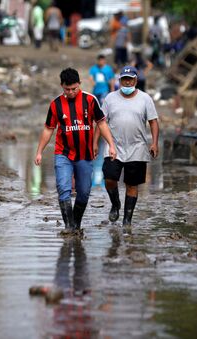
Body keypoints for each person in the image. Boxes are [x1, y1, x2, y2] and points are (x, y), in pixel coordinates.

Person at [35, 68, 117, 234]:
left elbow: (101, 124)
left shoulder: (90, 100)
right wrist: (39, 152)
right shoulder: (56, 104)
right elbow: (48, 129)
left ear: (79, 84)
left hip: (84, 155)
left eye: (74, 88)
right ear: (62, 86)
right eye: (67, 89)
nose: (71, 92)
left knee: (84, 192)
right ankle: (68, 227)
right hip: (63, 153)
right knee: (63, 187)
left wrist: (111, 145)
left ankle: (76, 224)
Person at [95, 66, 159, 229]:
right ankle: (115, 204)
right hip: (113, 147)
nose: (127, 82)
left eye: (130, 79)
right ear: (119, 81)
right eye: (124, 79)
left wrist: (154, 143)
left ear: (136, 80)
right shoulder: (110, 98)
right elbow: (101, 122)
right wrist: (95, 143)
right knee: (109, 179)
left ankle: (127, 220)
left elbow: (153, 121)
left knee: (132, 184)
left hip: (137, 148)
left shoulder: (145, 99)